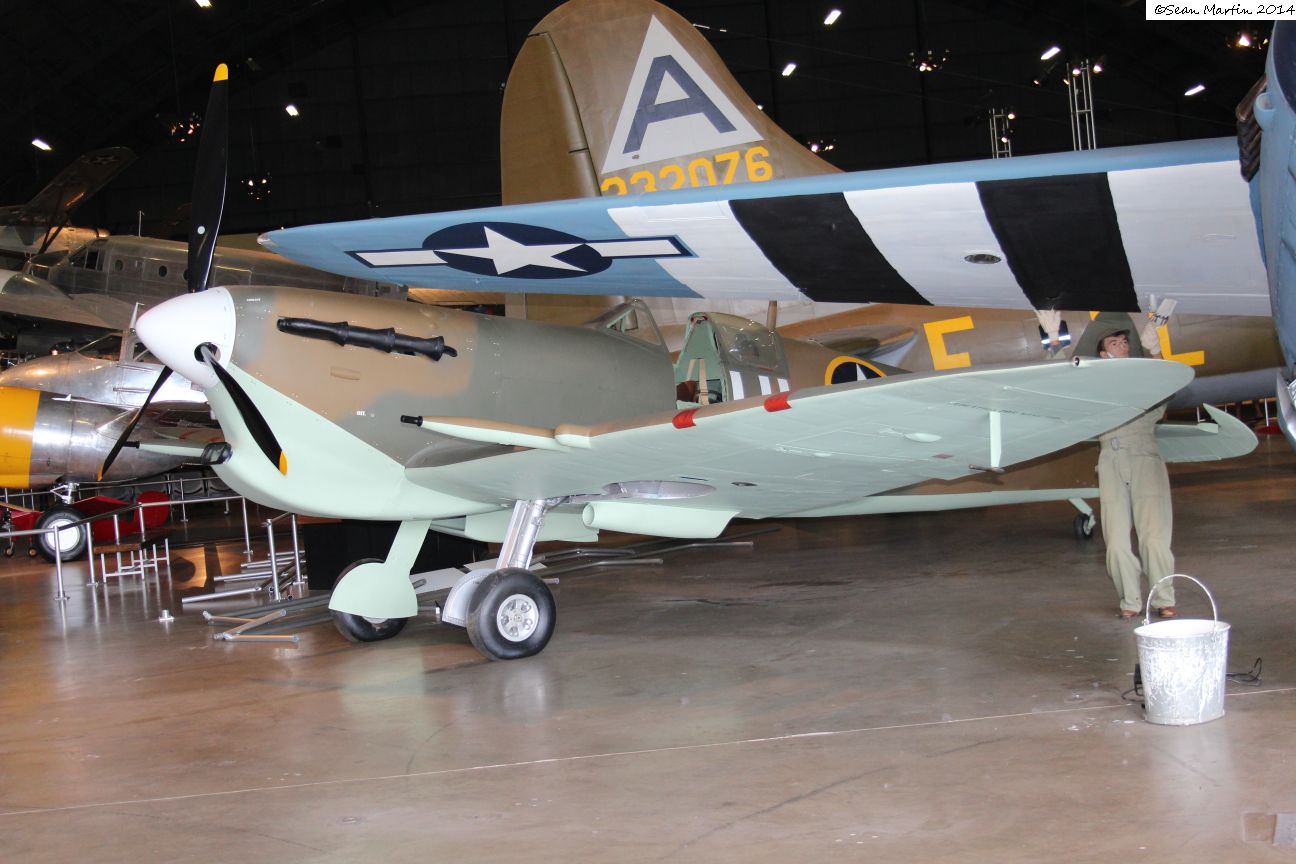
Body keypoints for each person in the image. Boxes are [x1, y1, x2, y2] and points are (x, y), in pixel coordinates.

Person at [1093, 320, 1177, 619]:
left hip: (1144, 455)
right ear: (1103, 354)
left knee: (1154, 536)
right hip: (1110, 459)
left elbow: (1167, 385)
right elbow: (1060, 386)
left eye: (1124, 342)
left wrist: (1155, 350)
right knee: (1115, 542)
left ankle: (1163, 598)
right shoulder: (1093, 386)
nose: (1122, 346)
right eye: (1114, 343)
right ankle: (1130, 601)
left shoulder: (1144, 380)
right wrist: (1054, 340)